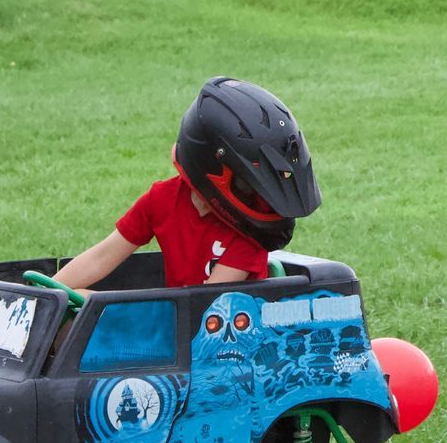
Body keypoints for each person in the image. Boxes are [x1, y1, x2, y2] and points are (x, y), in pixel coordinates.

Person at [56, 78, 322, 292]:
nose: (257, 194)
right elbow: (102, 257)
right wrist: (49, 294)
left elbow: (205, 304)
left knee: (88, 306)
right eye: (247, 183)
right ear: (208, 163)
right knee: (77, 304)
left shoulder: (250, 233)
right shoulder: (161, 199)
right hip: (179, 320)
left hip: (221, 332)